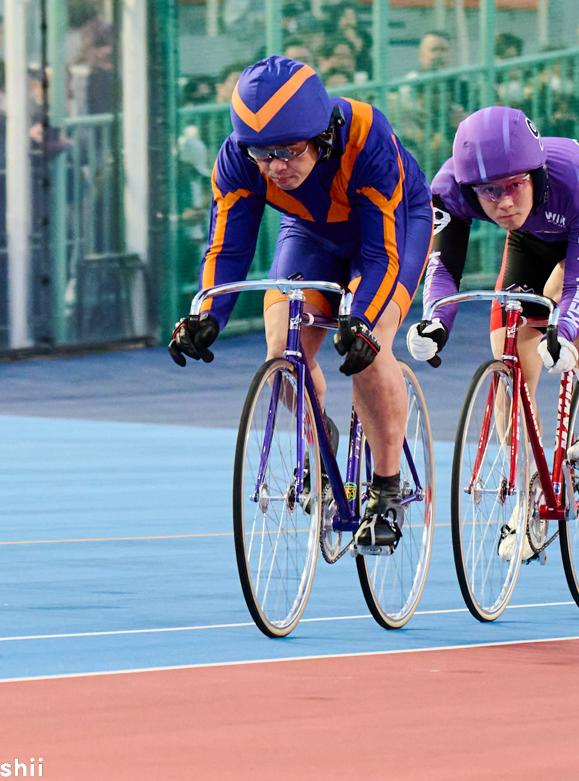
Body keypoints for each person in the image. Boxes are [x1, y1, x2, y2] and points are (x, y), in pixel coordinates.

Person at [166, 57, 434, 551]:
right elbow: (228, 246)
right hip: (310, 233)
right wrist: (207, 315)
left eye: (288, 152)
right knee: (279, 350)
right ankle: (323, 441)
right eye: (262, 155)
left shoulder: (365, 136)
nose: (275, 168)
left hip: (395, 228)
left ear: (322, 136)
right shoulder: (236, 158)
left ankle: (386, 488)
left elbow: (380, 254)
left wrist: (364, 322)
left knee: (370, 349)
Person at [407, 109, 579, 545]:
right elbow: (443, 269)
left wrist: (564, 332)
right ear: (468, 188)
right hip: (533, 236)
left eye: (515, 186)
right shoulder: (449, 191)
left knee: (560, 293)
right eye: (489, 191)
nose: (502, 202)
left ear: (535, 174)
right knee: (508, 351)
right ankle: (531, 493)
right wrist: (435, 324)